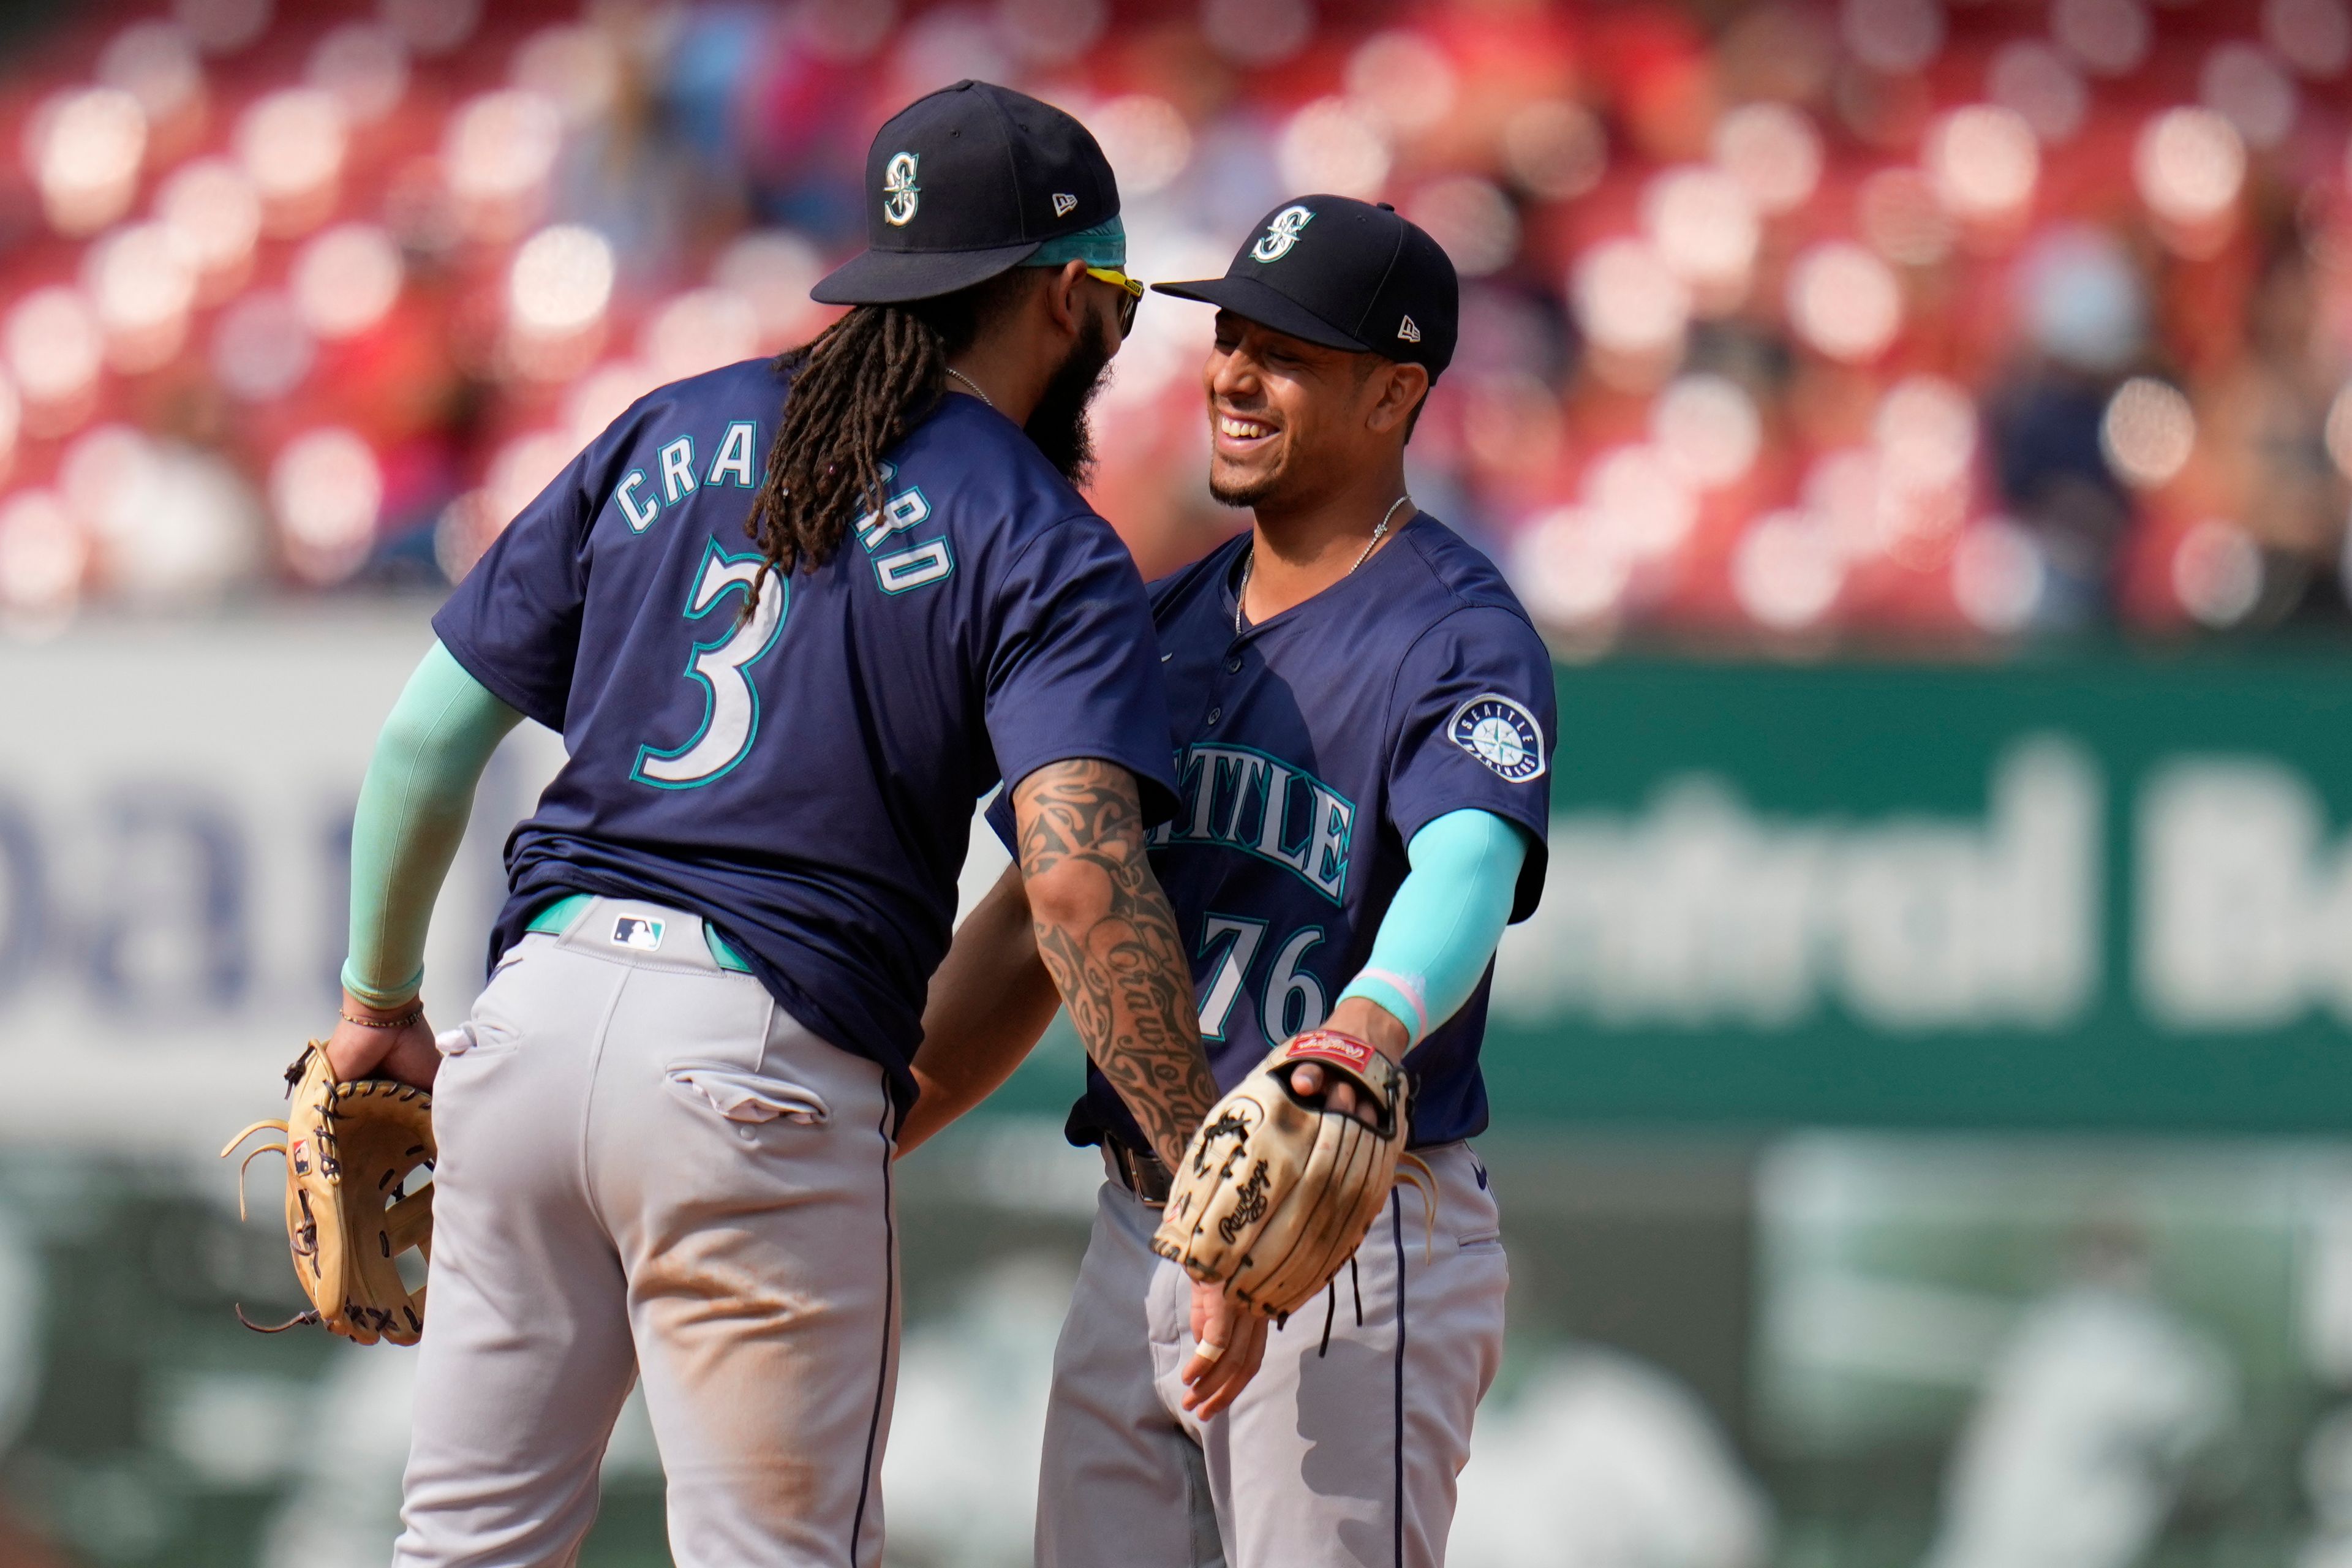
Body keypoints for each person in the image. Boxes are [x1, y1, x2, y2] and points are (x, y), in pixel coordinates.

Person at [320, 80, 1218, 1567]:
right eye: (1118, 296)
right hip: (755, 1056)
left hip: (527, 1028)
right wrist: (1191, 1164)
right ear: (1070, 298)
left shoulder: (672, 423)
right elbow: (1073, 882)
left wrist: (374, 1002)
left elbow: (423, 736)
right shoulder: (1042, 533)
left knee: (464, 1546)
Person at [901, 195, 1558, 1567]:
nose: (1235, 375)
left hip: (1340, 1223)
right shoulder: (1159, 621)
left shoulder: (1458, 630)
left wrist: (1365, 1027)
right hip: (1143, 1213)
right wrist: (864, 1128)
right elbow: (1038, 914)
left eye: (1289, 353)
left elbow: (1471, 859)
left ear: (1395, 391)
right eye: (1230, 336)